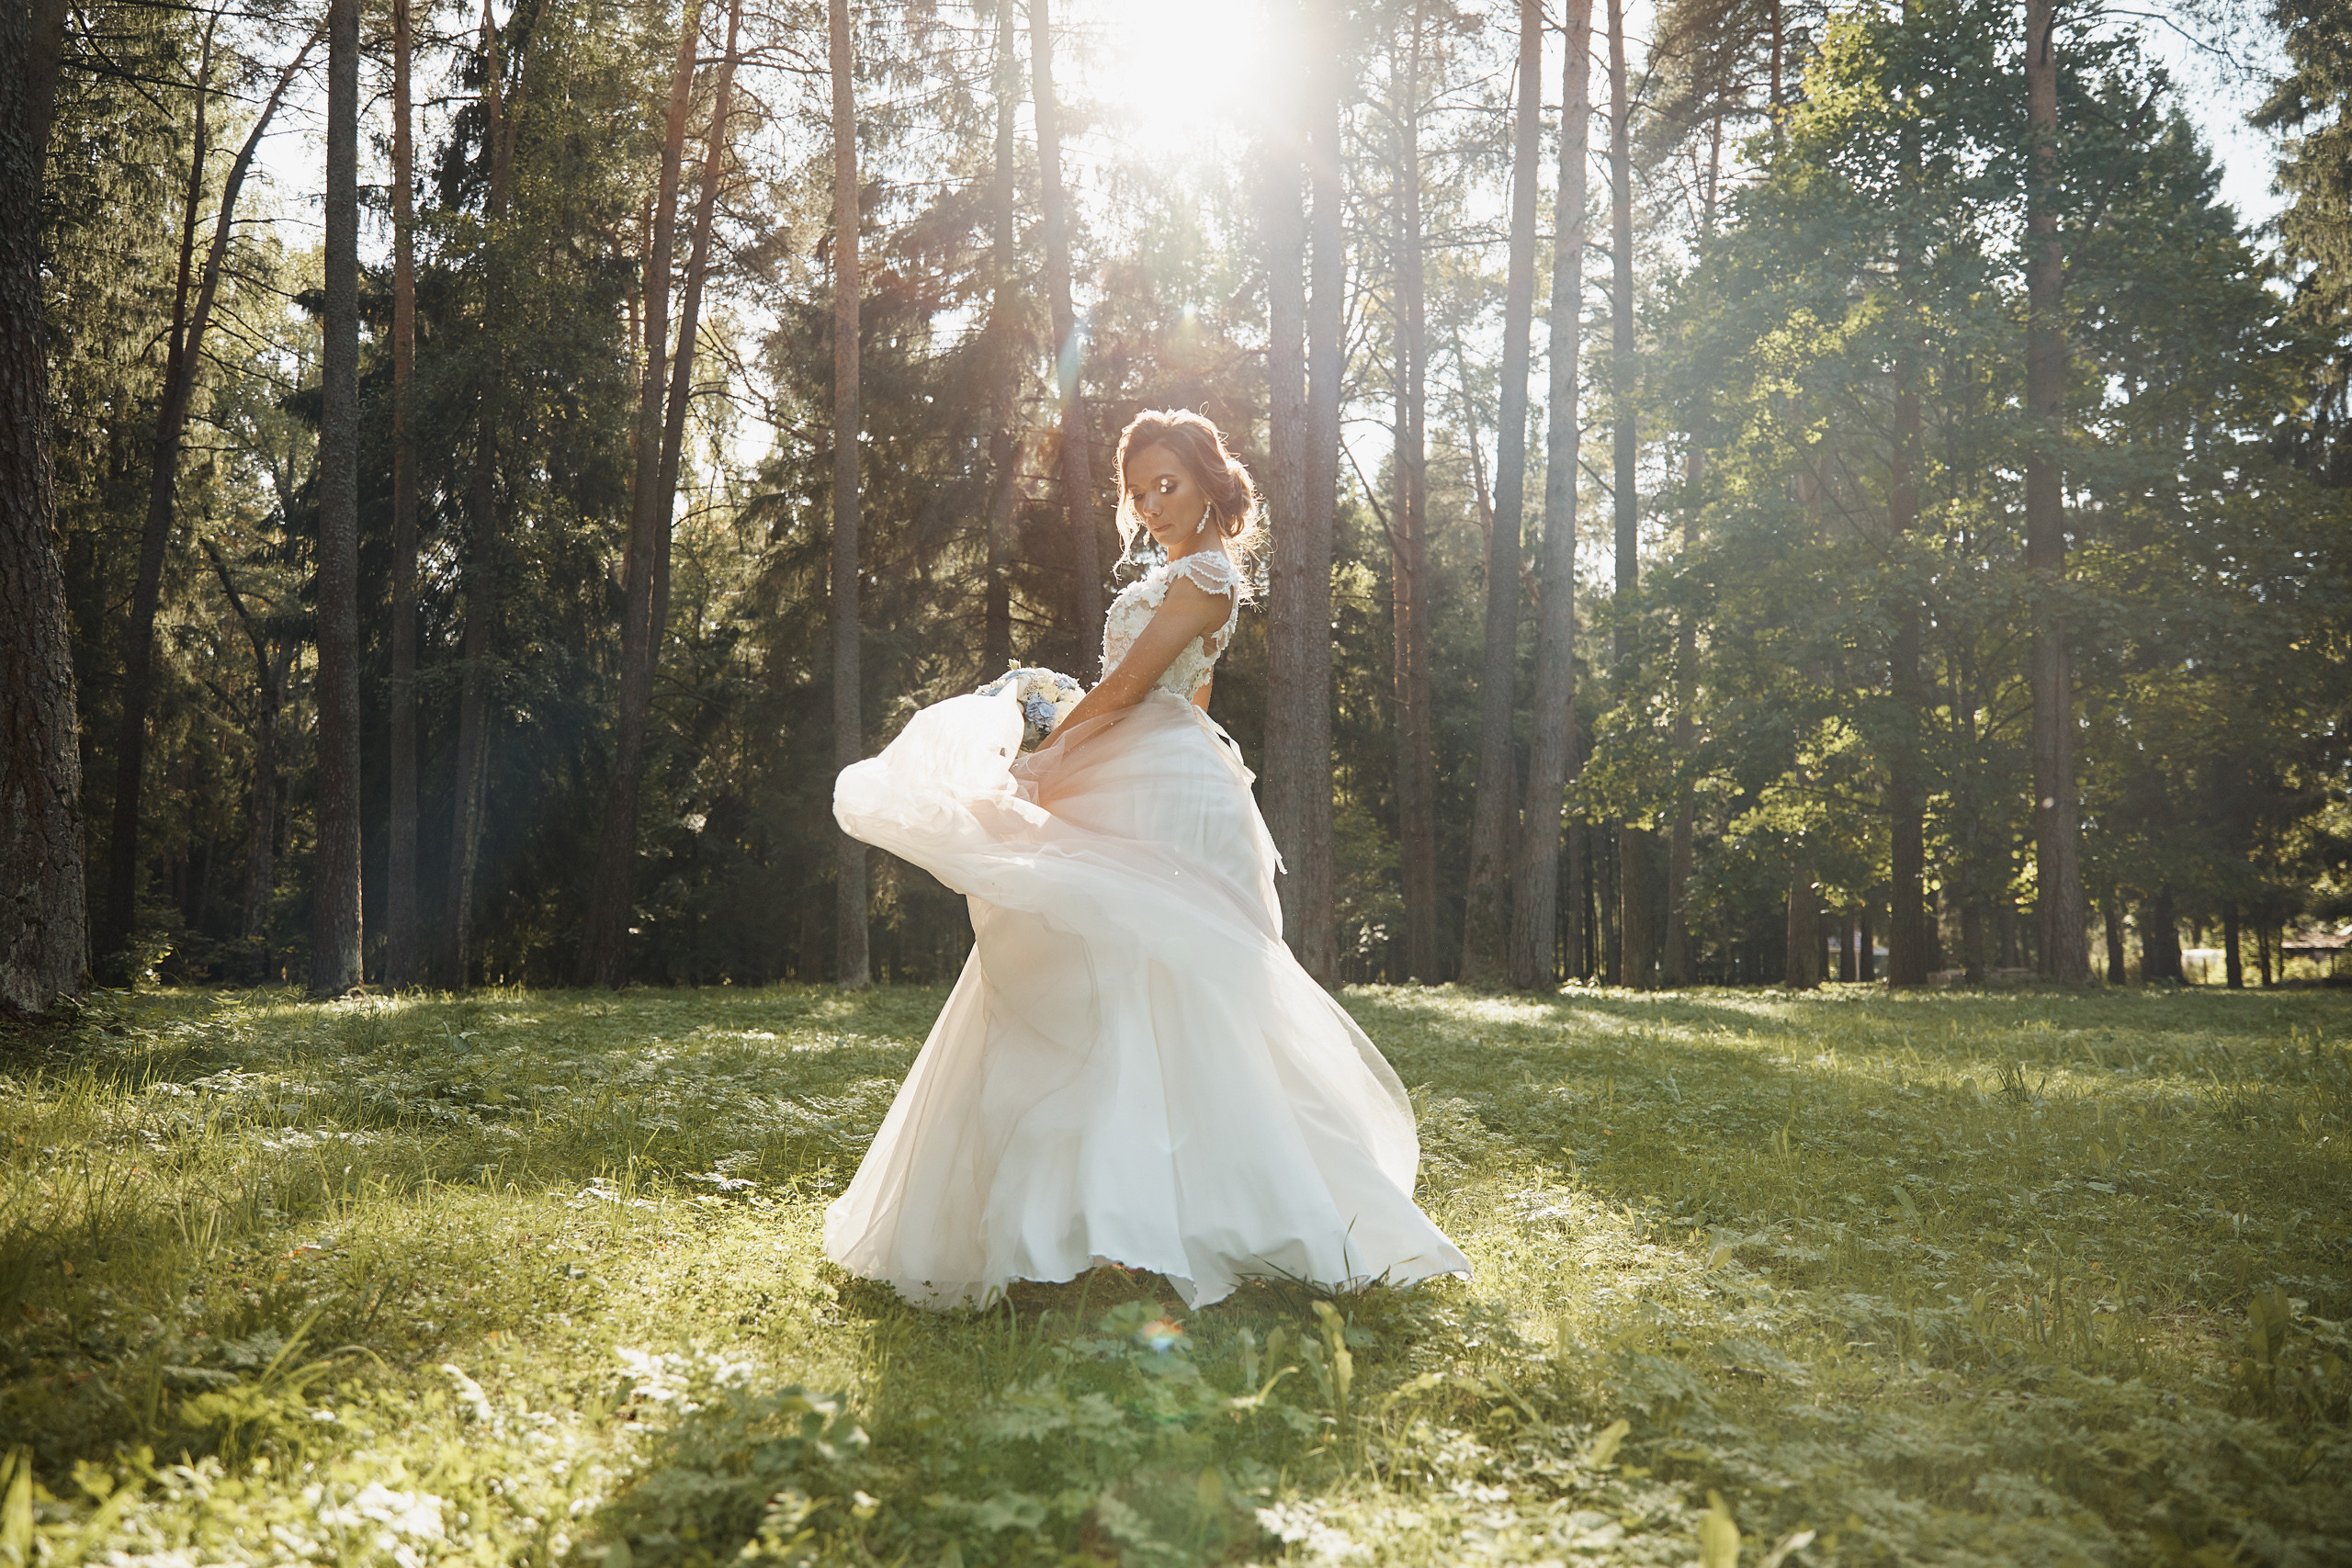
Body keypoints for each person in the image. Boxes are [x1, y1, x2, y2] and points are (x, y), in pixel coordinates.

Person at [828, 409, 1468, 1309]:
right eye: (1137, 493)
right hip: (1144, 761)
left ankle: (1186, 1211)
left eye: (1167, 485)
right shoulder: (1177, 575)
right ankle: (1098, 1211)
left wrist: (1043, 746)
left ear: (1210, 481)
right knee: (1097, 962)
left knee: (1155, 972)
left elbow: (1133, 689)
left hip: (1163, 780)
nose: (1152, 505)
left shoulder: (1207, 575)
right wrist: (1065, 734)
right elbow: (1184, 688)